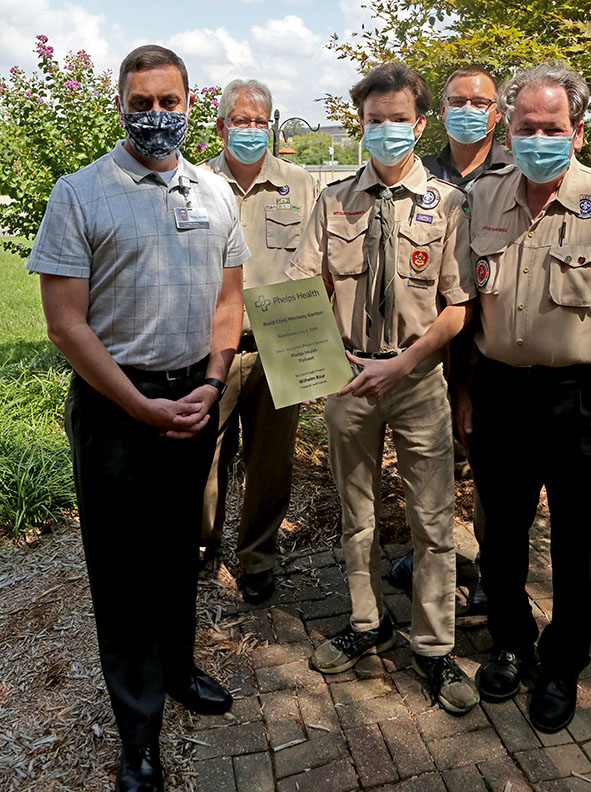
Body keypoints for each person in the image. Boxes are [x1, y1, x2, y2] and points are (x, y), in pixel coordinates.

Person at [27, 45, 249, 791]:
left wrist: (213, 383)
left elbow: (228, 303)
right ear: (120, 103)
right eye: (142, 102)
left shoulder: (215, 192)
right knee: (121, 571)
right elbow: (65, 325)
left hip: (194, 400)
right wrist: (139, 404)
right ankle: (138, 727)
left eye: (170, 102)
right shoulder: (80, 192)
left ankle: (179, 668)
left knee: (178, 550)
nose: (157, 116)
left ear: (191, 103)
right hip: (117, 411)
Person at [460, 62, 591, 733]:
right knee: (502, 541)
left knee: (582, 550)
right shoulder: (481, 199)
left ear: (576, 131)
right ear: (508, 130)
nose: (538, 137)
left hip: (583, 401)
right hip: (499, 397)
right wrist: (464, 395)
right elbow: (464, 310)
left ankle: (562, 664)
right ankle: (515, 645)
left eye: (552, 127)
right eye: (526, 127)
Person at [286, 62, 479, 715]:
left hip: (417, 377)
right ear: (360, 125)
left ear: (420, 124)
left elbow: (459, 306)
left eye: (400, 120)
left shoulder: (450, 205)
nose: (387, 131)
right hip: (348, 380)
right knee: (357, 516)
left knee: (431, 521)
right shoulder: (333, 199)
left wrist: (403, 364)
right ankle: (367, 625)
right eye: (375, 121)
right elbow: (304, 290)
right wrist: (320, 367)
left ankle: (433, 647)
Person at [390, 64, 513, 613]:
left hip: (494, 343)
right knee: (430, 462)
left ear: (498, 112)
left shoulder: (517, 172)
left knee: (490, 459)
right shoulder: (420, 171)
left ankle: (492, 567)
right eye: (457, 101)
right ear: (439, 111)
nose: (469, 110)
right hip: (429, 343)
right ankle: (428, 553)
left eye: (480, 101)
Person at [200, 79, 318, 603]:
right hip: (214, 344)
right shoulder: (196, 184)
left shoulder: (301, 183)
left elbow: (322, 265)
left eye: (258, 121)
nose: (249, 129)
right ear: (222, 124)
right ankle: (203, 548)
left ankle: (258, 558)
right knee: (205, 456)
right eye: (239, 120)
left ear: (270, 124)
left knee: (271, 462)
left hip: (284, 340)